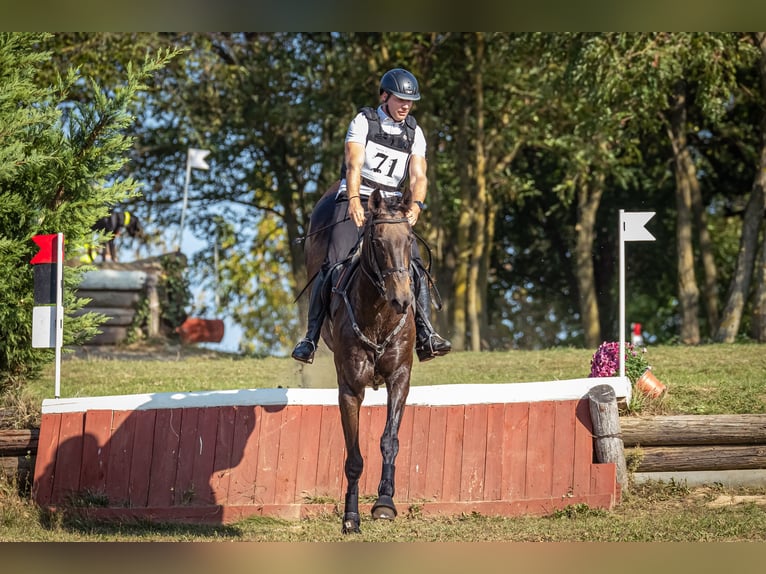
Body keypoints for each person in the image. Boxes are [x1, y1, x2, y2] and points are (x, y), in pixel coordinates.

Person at [291, 67, 452, 365]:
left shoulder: (415, 133)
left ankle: (427, 333)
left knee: (415, 264)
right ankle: (311, 337)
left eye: (410, 101)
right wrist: (353, 199)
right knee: (333, 262)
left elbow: (419, 175)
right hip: (357, 198)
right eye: (400, 99)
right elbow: (353, 165)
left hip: (391, 207)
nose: (406, 105)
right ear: (384, 96)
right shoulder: (363, 122)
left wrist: (416, 205)